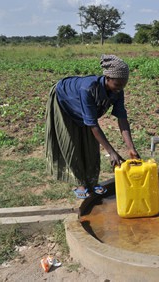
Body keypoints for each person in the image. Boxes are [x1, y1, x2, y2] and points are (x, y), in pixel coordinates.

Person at [45, 54, 140, 199]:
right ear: (107, 78)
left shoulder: (118, 90)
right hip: (64, 102)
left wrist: (131, 148)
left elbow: (122, 118)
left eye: (123, 85)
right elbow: (93, 124)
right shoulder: (88, 88)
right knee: (72, 143)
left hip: (84, 107)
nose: (120, 89)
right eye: (118, 85)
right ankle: (80, 183)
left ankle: (92, 181)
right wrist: (112, 152)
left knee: (91, 145)